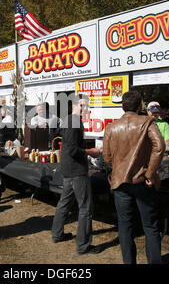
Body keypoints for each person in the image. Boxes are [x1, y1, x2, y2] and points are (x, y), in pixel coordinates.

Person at [103, 91, 165, 264]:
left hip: (120, 182)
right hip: (143, 181)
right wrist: (150, 172)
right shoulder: (147, 122)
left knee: (125, 227)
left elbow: (107, 157)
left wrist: (119, 168)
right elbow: (159, 147)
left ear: (123, 106)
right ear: (140, 106)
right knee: (150, 227)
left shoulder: (111, 127)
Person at [51, 94, 102, 255]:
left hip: (68, 169)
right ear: (73, 106)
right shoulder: (73, 122)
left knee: (64, 203)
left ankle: (57, 234)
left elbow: (68, 146)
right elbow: (72, 149)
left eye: (86, 106)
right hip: (76, 171)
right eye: (82, 105)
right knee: (86, 208)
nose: (85, 108)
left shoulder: (69, 120)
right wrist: (91, 152)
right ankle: (83, 246)